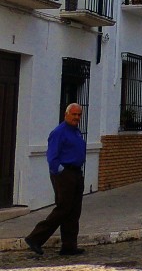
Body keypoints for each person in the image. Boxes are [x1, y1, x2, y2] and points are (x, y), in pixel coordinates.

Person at [24, 103, 87, 256]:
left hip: (76, 173)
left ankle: (69, 246)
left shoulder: (76, 132)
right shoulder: (59, 132)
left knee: (74, 211)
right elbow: (52, 157)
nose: (77, 117)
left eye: (79, 115)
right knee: (63, 208)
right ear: (66, 115)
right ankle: (35, 238)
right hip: (65, 174)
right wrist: (61, 172)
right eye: (74, 114)